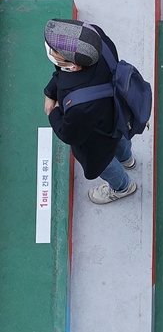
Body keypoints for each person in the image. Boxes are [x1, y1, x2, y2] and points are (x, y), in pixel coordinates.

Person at [44, 19, 137, 204]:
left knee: (103, 162)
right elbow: (62, 74)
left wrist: (53, 112)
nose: (51, 50)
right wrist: (50, 91)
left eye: (55, 51)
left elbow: (70, 135)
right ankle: (128, 160)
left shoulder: (80, 106)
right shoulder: (97, 39)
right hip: (117, 116)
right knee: (120, 142)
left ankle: (123, 187)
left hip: (96, 138)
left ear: (75, 66)